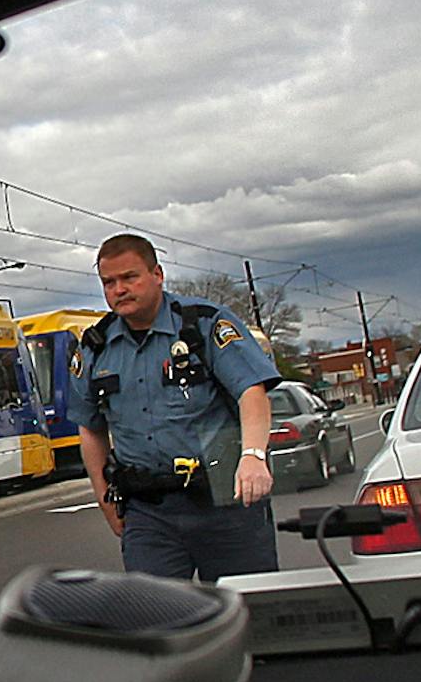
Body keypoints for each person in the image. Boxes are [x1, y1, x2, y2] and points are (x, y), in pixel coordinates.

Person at [69, 234, 282, 582]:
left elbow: (251, 391)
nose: (119, 289)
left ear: (158, 274)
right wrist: (105, 502)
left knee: (248, 613)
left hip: (224, 502)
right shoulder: (96, 348)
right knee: (157, 619)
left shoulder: (203, 324)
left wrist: (254, 455)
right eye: (109, 282)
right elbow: (90, 428)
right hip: (149, 512)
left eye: (129, 277)